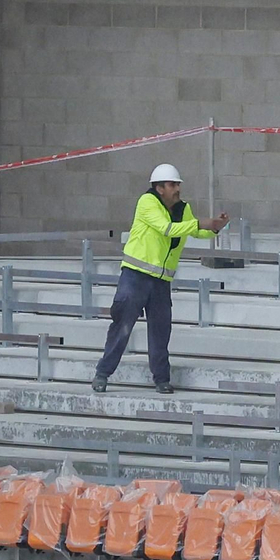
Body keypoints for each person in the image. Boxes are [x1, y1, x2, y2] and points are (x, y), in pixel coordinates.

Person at [93, 164, 228, 394]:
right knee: (122, 326)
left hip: (160, 281)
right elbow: (167, 229)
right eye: (172, 185)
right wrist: (201, 223)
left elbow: (193, 231)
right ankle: (103, 374)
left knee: (161, 330)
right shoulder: (147, 203)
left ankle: (162, 379)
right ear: (159, 188)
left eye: (178, 184)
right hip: (135, 275)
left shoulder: (182, 208)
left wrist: (213, 228)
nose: (177, 189)